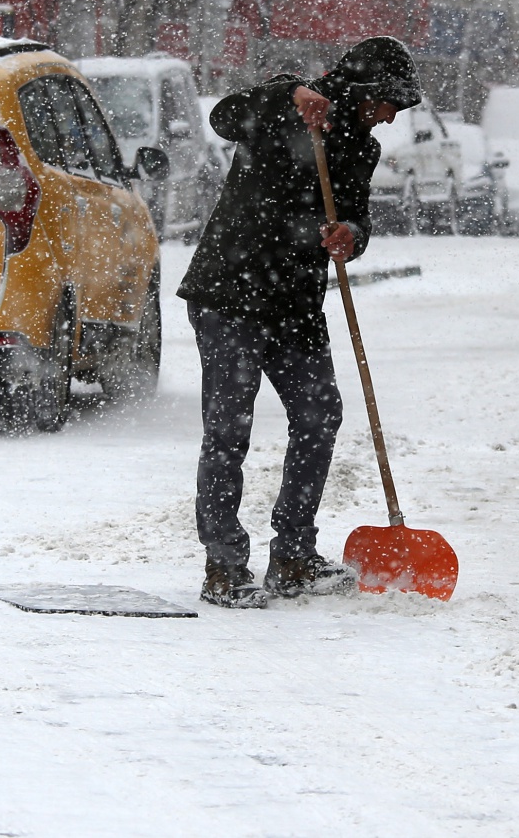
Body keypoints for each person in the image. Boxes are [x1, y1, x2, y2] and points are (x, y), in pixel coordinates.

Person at [178, 37, 421, 609]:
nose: (390, 116)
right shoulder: (286, 104)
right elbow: (223, 117)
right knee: (229, 427)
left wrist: (350, 237)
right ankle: (224, 565)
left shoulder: (361, 149)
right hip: (230, 294)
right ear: (364, 91)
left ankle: (291, 555)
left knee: (319, 413)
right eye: (388, 102)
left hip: (295, 303)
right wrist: (288, 96)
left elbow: (357, 213)